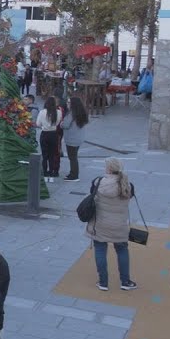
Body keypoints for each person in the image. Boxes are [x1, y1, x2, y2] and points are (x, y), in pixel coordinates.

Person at [88, 158, 138, 292]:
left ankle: (103, 283)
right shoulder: (128, 185)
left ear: (108, 169)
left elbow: (91, 195)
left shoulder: (97, 182)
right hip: (120, 225)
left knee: (100, 249)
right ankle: (125, 282)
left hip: (100, 224)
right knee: (122, 250)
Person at [62, 96, 90, 182]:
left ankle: (74, 175)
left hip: (71, 139)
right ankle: (73, 173)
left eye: (69, 102)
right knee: (74, 156)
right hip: (78, 138)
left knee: (72, 157)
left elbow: (65, 125)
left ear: (73, 104)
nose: (67, 104)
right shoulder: (82, 112)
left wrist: (61, 124)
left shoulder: (71, 114)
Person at [36, 96, 62, 183]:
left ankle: (45, 172)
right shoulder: (58, 112)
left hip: (45, 134)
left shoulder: (42, 112)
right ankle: (51, 172)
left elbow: (38, 124)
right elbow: (58, 123)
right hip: (53, 134)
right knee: (52, 155)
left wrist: (44, 125)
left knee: (44, 155)